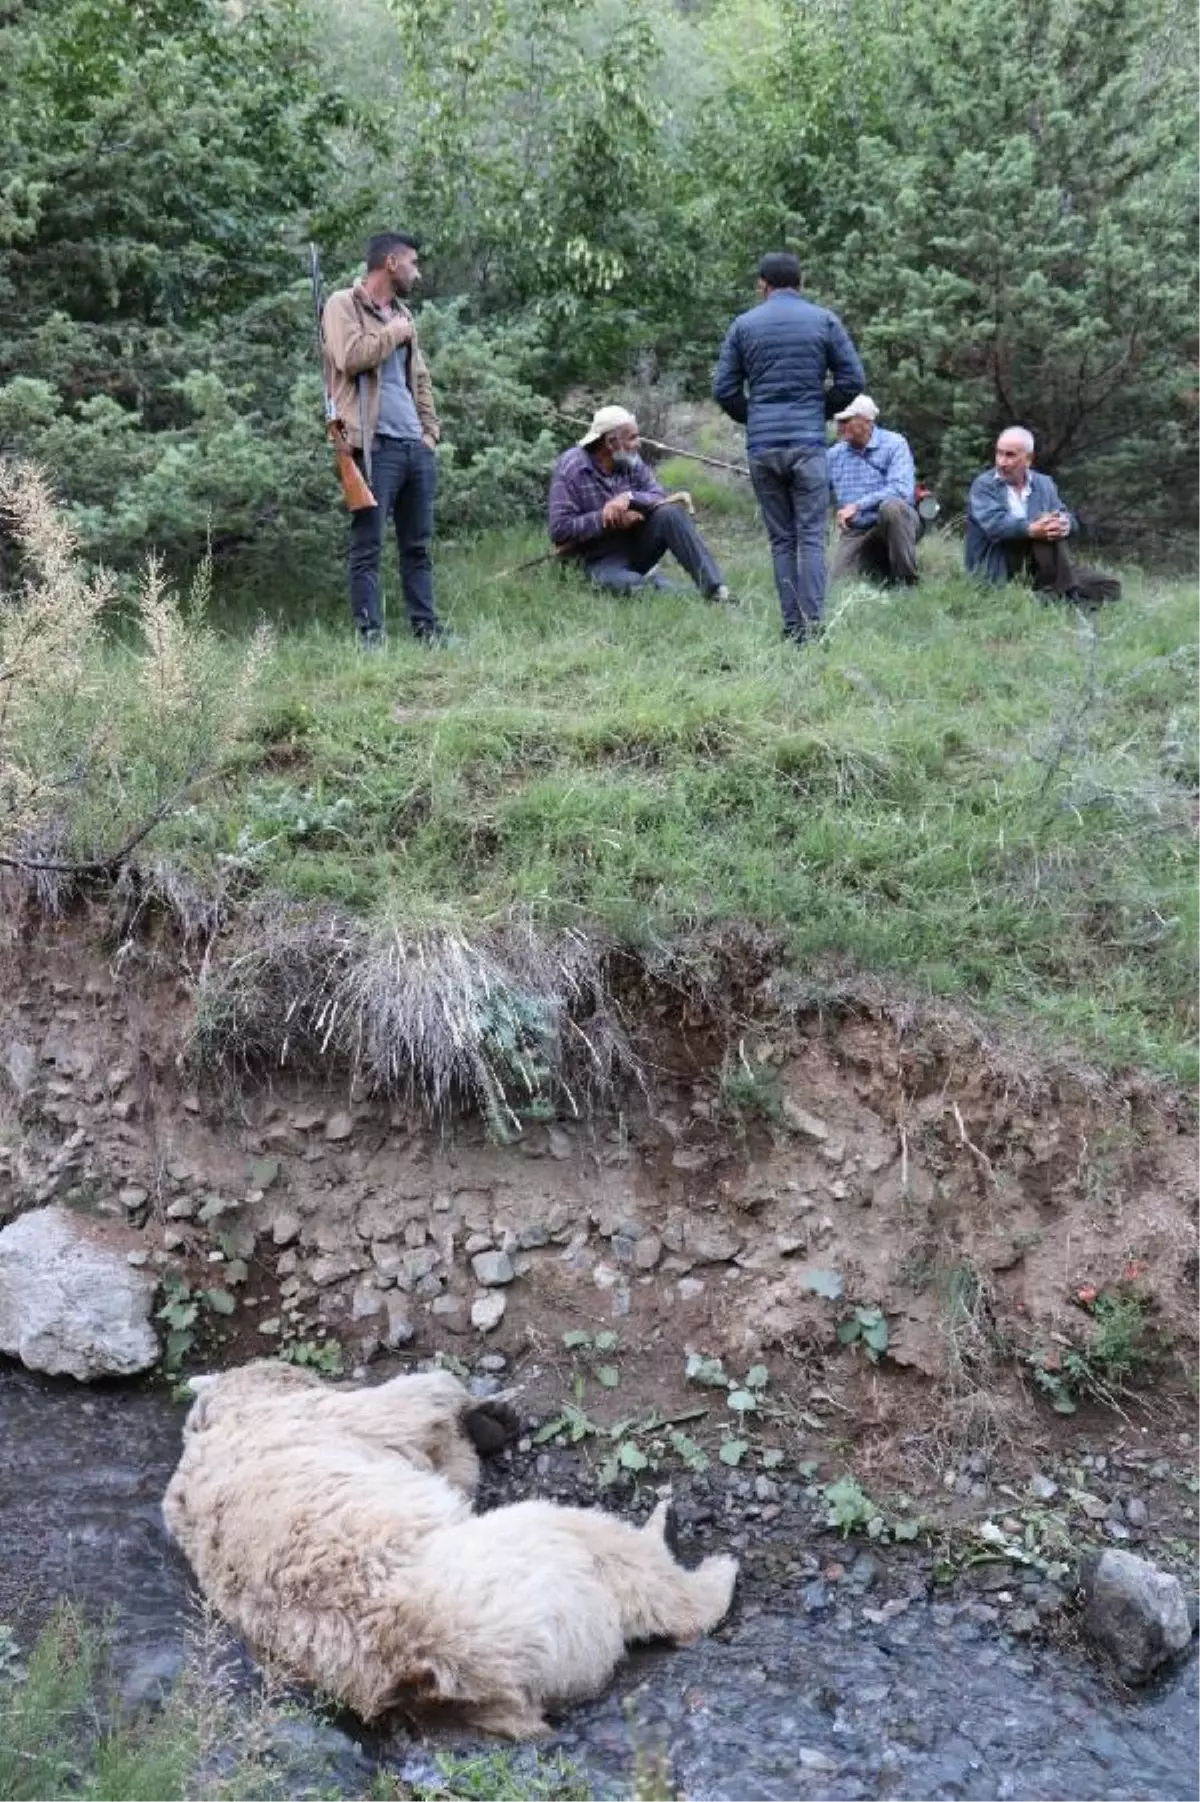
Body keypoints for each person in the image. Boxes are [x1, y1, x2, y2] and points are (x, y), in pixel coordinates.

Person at [713, 251, 864, 643]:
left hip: (763, 447)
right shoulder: (824, 321)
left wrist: (755, 417)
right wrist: (819, 410)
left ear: (763, 284)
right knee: (811, 537)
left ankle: (792, 626)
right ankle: (813, 628)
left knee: (782, 539)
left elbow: (724, 389)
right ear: (802, 282)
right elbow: (852, 378)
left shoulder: (743, 326)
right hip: (807, 445)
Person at [321, 230, 449, 648]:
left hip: (414, 446)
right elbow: (350, 357)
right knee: (368, 547)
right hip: (371, 446)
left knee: (418, 547)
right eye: (412, 262)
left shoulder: (403, 314)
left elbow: (421, 379)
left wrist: (431, 433)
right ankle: (370, 638)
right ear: (390, 263)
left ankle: (428, 633)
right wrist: (394, 332)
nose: (418, 271)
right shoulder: (344, 304)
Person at [548, 406, 731, 601]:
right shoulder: (572, 466)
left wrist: (629, 498)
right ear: (611, 442)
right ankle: (676, 593)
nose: (638, 444)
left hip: (633, 547)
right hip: (595, 559)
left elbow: (658, 495)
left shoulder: (630, 460)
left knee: (670, 513)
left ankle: (716, 591)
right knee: (629, 585)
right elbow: (559, 530)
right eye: (632, 438)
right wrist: (606, 518)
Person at [965, 427, 1121, 603]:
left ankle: (1048, 596)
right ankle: (1064, 594)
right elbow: (996, 525)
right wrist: (1033, 529)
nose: (1002, 462)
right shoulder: (984, 486)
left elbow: (1065, 515)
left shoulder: (1044, 484)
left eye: (1010, 455)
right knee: (1044, 529)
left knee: (1110, 586)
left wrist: (1064, 524)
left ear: (1028, 459)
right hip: (1000, 565)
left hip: (1041, 567)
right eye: (999, 454)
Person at [826, 395, 920, 587]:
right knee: (836, 585)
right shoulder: (834, 455)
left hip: (894, 522)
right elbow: (817, 491)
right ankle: (878, 568)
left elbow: (901, 490)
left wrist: (858, 506)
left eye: (846, 420)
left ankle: (906, 581)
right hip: (857, 530)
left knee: (892, 507)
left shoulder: (895, 444)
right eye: (839, 421)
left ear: (867, 422)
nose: (840, 426)